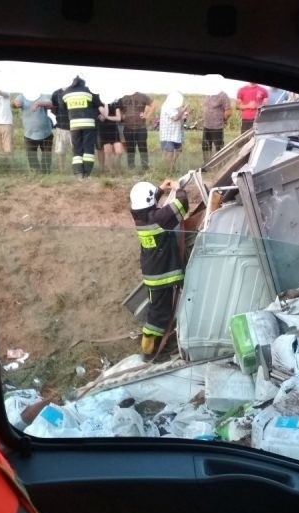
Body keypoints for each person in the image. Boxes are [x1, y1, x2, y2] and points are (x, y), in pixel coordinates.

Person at [129, 178, 189, 358]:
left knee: (157, 309)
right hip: (163, 275)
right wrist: (178, 189)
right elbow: (182, 204)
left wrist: (160, 189)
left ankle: (154, 342)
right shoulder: (159, 219)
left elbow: (147, 202)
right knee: (159, 314)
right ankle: (149, 348)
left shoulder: (139, 217)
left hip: (152, 274)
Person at [62, 75, 103, 178]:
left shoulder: (66, 93)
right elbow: (98, 105)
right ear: (83, 82)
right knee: (88, 149)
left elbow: (63, 108)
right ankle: (87, 173)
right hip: (88, 124)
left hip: (74, 125)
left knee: (77, 149)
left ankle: (78, 173)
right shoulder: (89, 91)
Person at [13, 90, 53, 174]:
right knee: (31, 155)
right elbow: (14, 104)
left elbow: (50, 104)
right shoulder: (22, 96)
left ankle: (46, 172)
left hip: (46, 132)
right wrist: (15, 103)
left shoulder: (42, 95)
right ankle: (36, 172)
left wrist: (38, 103)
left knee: (47, 154)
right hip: (29, 133)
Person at [119, 90, 156, 170]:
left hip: (141, 127)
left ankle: (145, 167)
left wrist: (147, 115)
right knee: (130, 148)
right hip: (128, 127)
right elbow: (119, 109)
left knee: (142, 147)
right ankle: (131, 168)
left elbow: (153, 105)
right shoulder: (123, 97)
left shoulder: (142, 96)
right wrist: (122, 115)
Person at [201, 79, 232, 163]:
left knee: (218, 147)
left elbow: (228, 111)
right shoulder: (208, 94)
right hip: (206, 125)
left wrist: (223, 120)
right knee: (206, 146)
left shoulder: (223, 95)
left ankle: (218, 165)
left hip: (217, 126)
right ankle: (206, 165)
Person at [159, 92, 187, 173]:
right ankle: (169, 171)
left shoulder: (174, 106)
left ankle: (172, 167)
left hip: (176, 133)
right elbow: (175, 117)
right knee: (170, 151)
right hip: (168, 134)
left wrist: (183, 115)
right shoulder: (167, 106)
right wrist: (182, 111)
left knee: (178, 150)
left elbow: (179, 117)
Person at [97, 93, 124, 175]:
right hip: (104, 129)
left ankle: (117, 170)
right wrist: (105, 103)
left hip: (114, 129)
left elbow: (118, 117)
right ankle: (110, 172)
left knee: (119, 152)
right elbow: (105, 113)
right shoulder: (99, 102)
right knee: (108, 153)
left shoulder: (115, 102)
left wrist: (107, 117)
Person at [49, 84, 72, 173]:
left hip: (75, 127)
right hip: (61, 126)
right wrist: (59, 116)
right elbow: (53, 108)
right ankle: (62, 171)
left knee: (76, 151)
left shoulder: (74, 91)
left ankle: (76, 170)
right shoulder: (56, 93)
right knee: (61, 151)